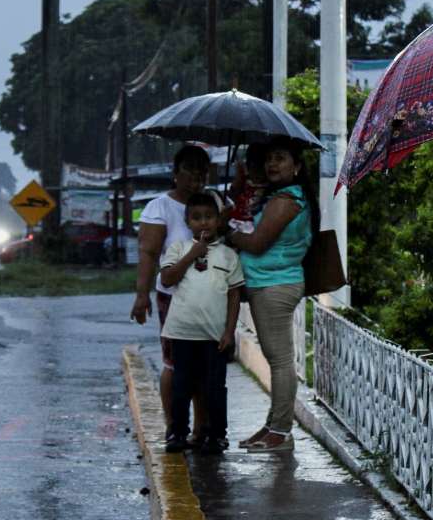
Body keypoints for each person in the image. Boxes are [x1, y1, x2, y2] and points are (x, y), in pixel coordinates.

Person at [226, 143, 318, 453]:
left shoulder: (286, 200)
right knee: (277, 359)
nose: (272, 164)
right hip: (268, 283)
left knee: (280, 362)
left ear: (297, 166)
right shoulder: (280, 197)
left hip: (275, 285)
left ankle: (280, 431)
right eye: (268, 158)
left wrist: (229, 232)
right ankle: (272, 425)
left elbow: (257, 243)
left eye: (279, 157)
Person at [130, 145, 212, 437]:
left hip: (208, 299)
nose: (196, 177)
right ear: (175, 173)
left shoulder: (213, 202)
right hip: (173, 297)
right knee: (175, 363)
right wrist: (141, 296)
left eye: (202, 171)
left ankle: (202, 426)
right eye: (190, 169)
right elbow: (149, 254)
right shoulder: (160, 207)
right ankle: (174, 425)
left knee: (205, 364)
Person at [159, 192, 244, 454]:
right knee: (182, 385)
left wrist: (229, 332)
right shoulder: (178, 249)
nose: (203, 223)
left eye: (209, 217)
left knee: (215, 387)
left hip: (214, 336)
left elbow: (234, 296)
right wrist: (192, 254)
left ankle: (216, 434)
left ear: (219, 221)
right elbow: (167, 279)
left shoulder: (229, 256)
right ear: (187, 222)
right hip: (182, 333)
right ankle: (177, 432)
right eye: (196, 218)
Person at [227, 142, 269, 233]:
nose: (257, 172)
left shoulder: (270, 190)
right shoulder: (244, 183)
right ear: (248, 167)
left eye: (260, 167)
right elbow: (231, 198)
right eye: (253, 167)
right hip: (235, 225)